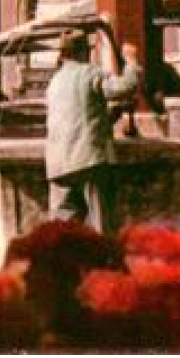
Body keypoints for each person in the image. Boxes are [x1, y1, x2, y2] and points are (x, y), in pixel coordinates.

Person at [44, 30, 142, 233]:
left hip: (58, 165)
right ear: (83, 51)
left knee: (63, 231)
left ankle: (66, 264)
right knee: (102, 227)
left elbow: (79, 116)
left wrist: (111, 116)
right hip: (89, 161)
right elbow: (124, 87)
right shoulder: (89, 73)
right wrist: (131, 61)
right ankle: (103, 262)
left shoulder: (54, 82)